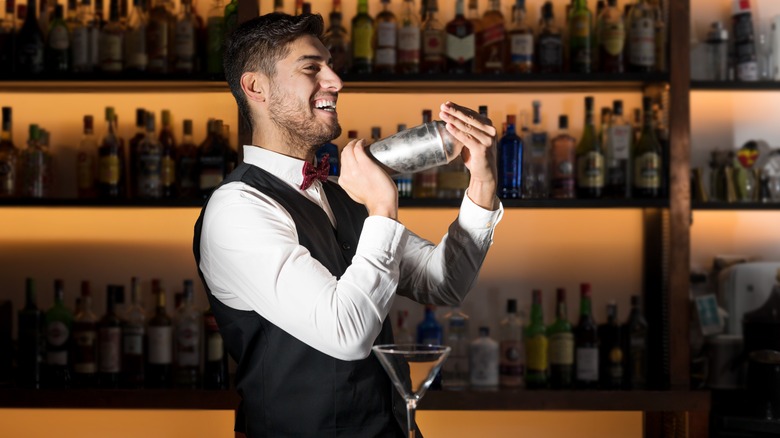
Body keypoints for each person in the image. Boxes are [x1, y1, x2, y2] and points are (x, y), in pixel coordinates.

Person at [193, 12, 503, 438]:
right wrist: (382, 206)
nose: (336, 81)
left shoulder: (339, 193)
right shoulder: (238, 208)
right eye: (311, 68)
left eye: (331, 66)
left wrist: (482, 183)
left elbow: (443, 283)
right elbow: (347, 333)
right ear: (256, 87)